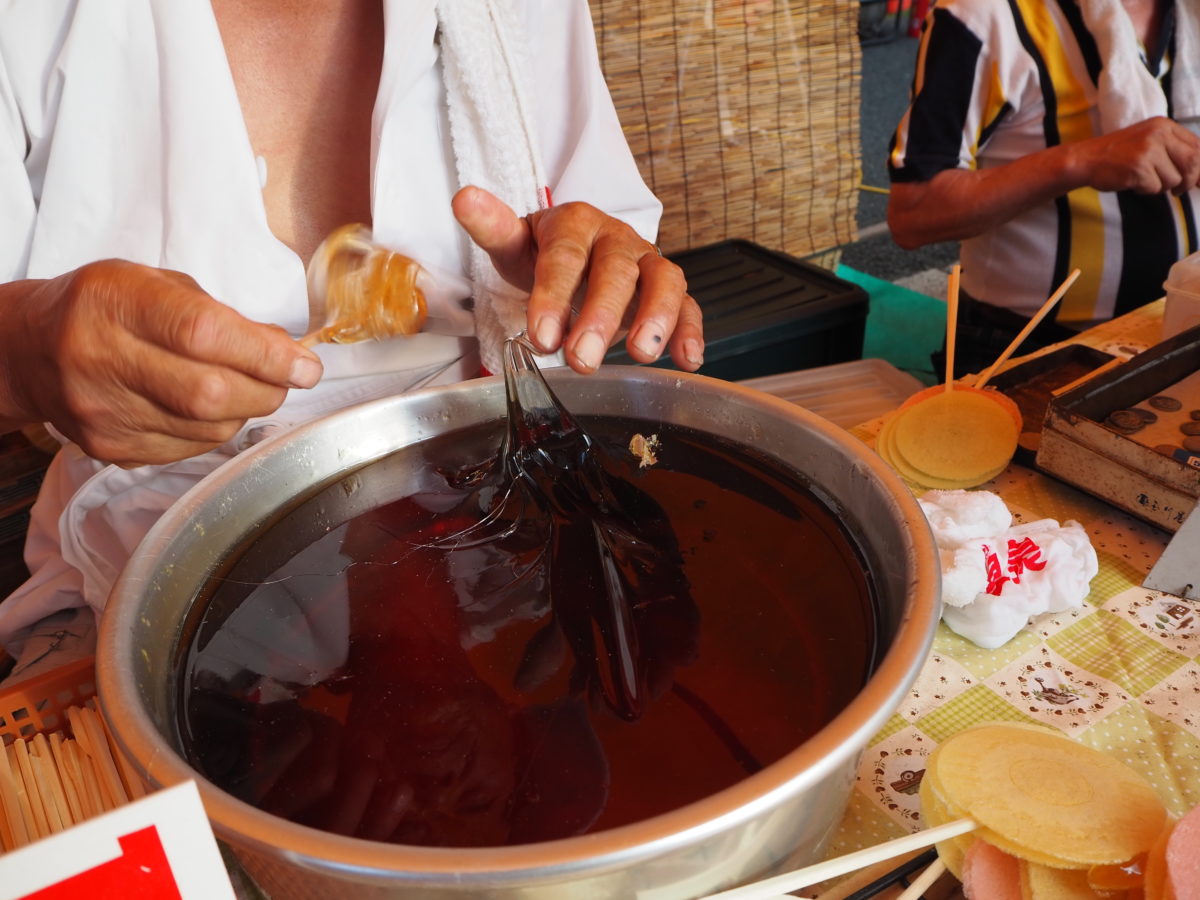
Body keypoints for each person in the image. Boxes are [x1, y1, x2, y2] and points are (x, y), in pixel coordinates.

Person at [0, 1, 704, 674]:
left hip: (503, 569)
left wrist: (586, 272)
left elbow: (593, 237)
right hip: (139, 592)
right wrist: (22, 353)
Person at [887, 0, 1200, 376]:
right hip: (1031, 349)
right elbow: (913, 214)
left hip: (1182, 328)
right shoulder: (983, 15)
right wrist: (1081, 161)